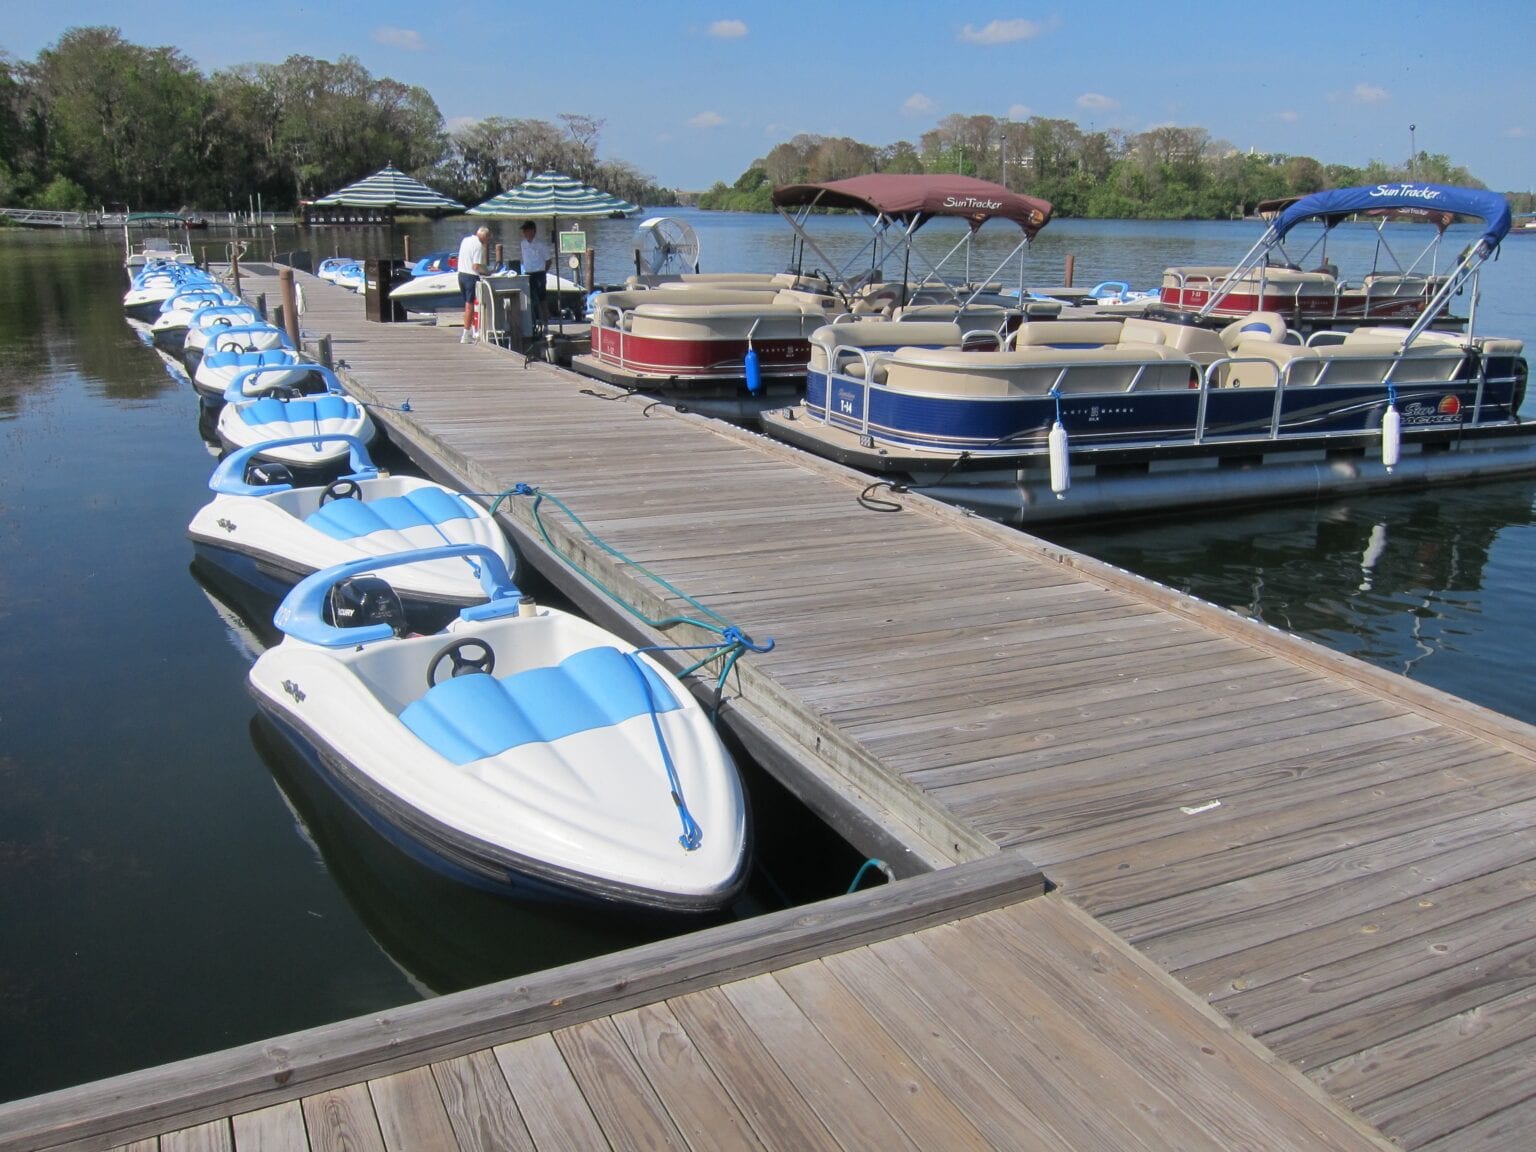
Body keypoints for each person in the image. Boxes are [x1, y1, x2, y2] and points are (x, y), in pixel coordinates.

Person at [456, 225, 491, 342]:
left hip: (461, 274)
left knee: (467, 304)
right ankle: (465, 335)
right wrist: (486, 271)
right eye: (488, 239)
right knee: (470, 305)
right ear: (485, 237)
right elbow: (476, 266)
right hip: (470, 276)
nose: (488, 242)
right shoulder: (479, 246)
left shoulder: (465, 240)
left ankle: (473, 331)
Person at [519, 220, 553, 333]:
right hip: (528, 274)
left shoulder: (541, 245)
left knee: (542, 299)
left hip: (539, 273)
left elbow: (549, 260)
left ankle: (546, 324)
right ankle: (532, 323)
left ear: (532, 231)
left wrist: (543, 272)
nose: (524, 233)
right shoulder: (523, 243)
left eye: (526, 230)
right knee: (530, 300)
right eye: (524, 231)